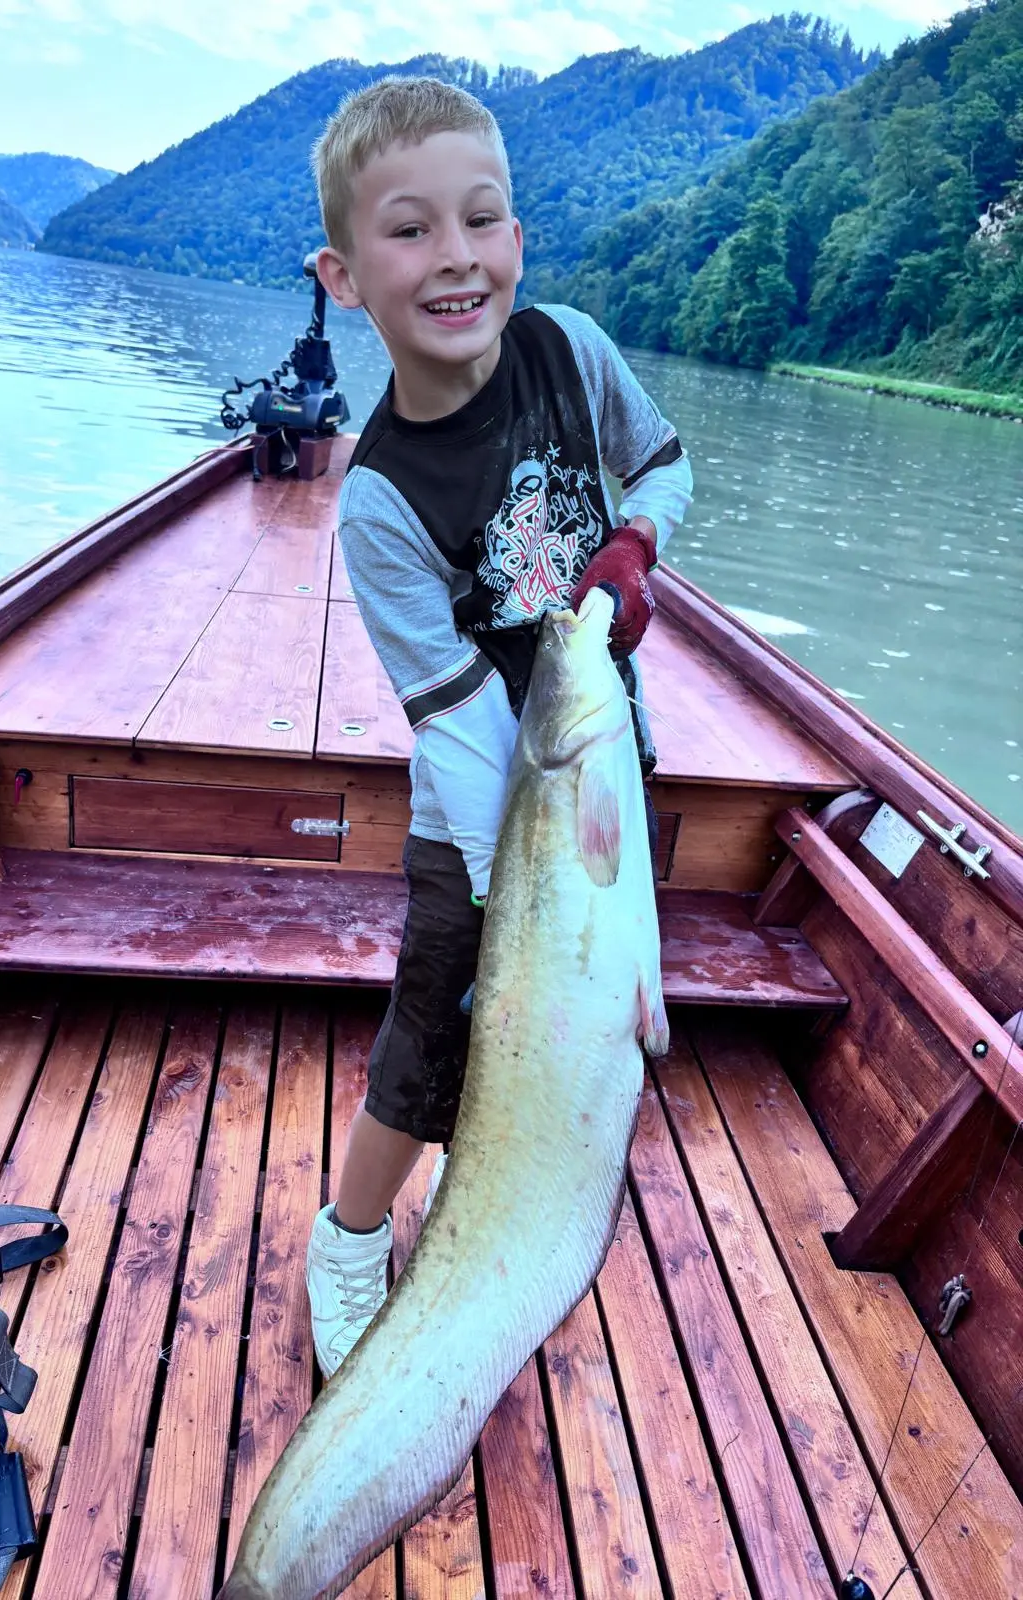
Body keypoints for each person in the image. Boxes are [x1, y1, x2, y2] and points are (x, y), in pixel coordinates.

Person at [306, 75, 693, 1378]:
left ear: (518, 243)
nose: (456, 255)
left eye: (483, 220)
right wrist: (510, 919)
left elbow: (665, 463)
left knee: (603, 1020)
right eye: (410, 229)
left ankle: (495, 1219)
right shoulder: (379, 505)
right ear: (346, 275)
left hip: (604, 772)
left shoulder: (571, 351)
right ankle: (353, 1237)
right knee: (430, 1042)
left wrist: (638, 539)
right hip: (475, 818)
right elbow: (464, 727)